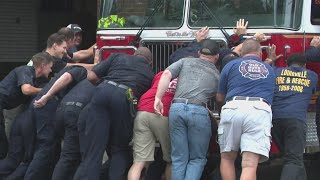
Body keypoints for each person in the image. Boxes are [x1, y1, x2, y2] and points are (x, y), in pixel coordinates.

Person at [74, 47, 154, 180]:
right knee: (119, 147)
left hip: (103, 91)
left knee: (94, 148)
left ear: (134, 54)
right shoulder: (150, 74)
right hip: (126, 98)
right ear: (149, 62)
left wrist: (104, 86)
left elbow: (91, 76)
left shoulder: (118, 56)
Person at [154, 39, 220, 180]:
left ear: (198, 53)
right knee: (197, 159)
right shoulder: (217, 75)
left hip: (176, 108)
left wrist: (158, 98)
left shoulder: (185, 61)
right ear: (217, 57)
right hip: (198, 111)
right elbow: (219, 97)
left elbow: (166, 74)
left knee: (178, 158)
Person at [216, 38, 275, 180]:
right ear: (260, 53)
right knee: (249, 164)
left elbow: (219, 98)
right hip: (259, 110)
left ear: (241, 52)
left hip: (233, 107)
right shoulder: (270, 70)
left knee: (227, 158)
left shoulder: (230, 65)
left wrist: (221, 113)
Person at [24, 65, 91, 180]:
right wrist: (47, 97)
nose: (51, 70)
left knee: (48, 148)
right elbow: (67, 77)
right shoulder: (81, 70)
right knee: (47, 147)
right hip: (48, 104)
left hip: (45, 105)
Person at [271, 53, 318, 180]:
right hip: (295, 121)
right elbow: (312, 91)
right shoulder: (312, 76)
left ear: (287, 63)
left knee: (293, 157)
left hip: (274, 121)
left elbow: (265, 71)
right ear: (305, 65)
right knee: (293, 159)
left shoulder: (276, 72)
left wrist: (270, 58)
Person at [0, 52, 53, 159]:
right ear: (43, 65)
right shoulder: (25, 70)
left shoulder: (36, 79)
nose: (51, 70)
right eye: (50, 67)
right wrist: (48, 91)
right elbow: (26, 90)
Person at [127, 71, 177, 180]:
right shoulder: (188, 77)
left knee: (139, 162)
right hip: (163, 113)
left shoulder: (163, 73)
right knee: (171, 160)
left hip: (143, 110)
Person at [52, 79, 96, 180]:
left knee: (69, 154)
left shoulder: (85, 79)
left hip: (61, 110)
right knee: (71, 156)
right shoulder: (106, 80)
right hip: (76, 112)